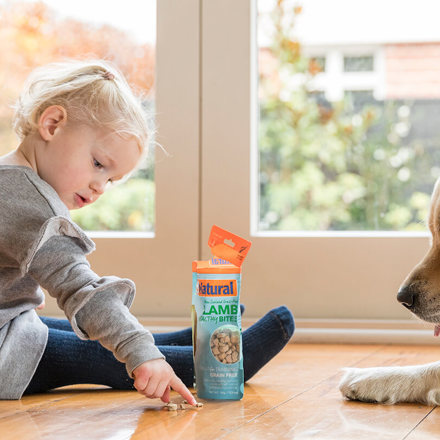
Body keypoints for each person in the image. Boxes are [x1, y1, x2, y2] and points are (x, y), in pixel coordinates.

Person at [0, 59, 294, 402]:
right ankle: (214, 361)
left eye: (110, 180)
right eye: (98, 164)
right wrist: (142, 356)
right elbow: (82, 291)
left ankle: (174, 340)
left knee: (61, 329)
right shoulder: (33, 207)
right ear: (52, 124)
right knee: (94, 352)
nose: (99, 187)